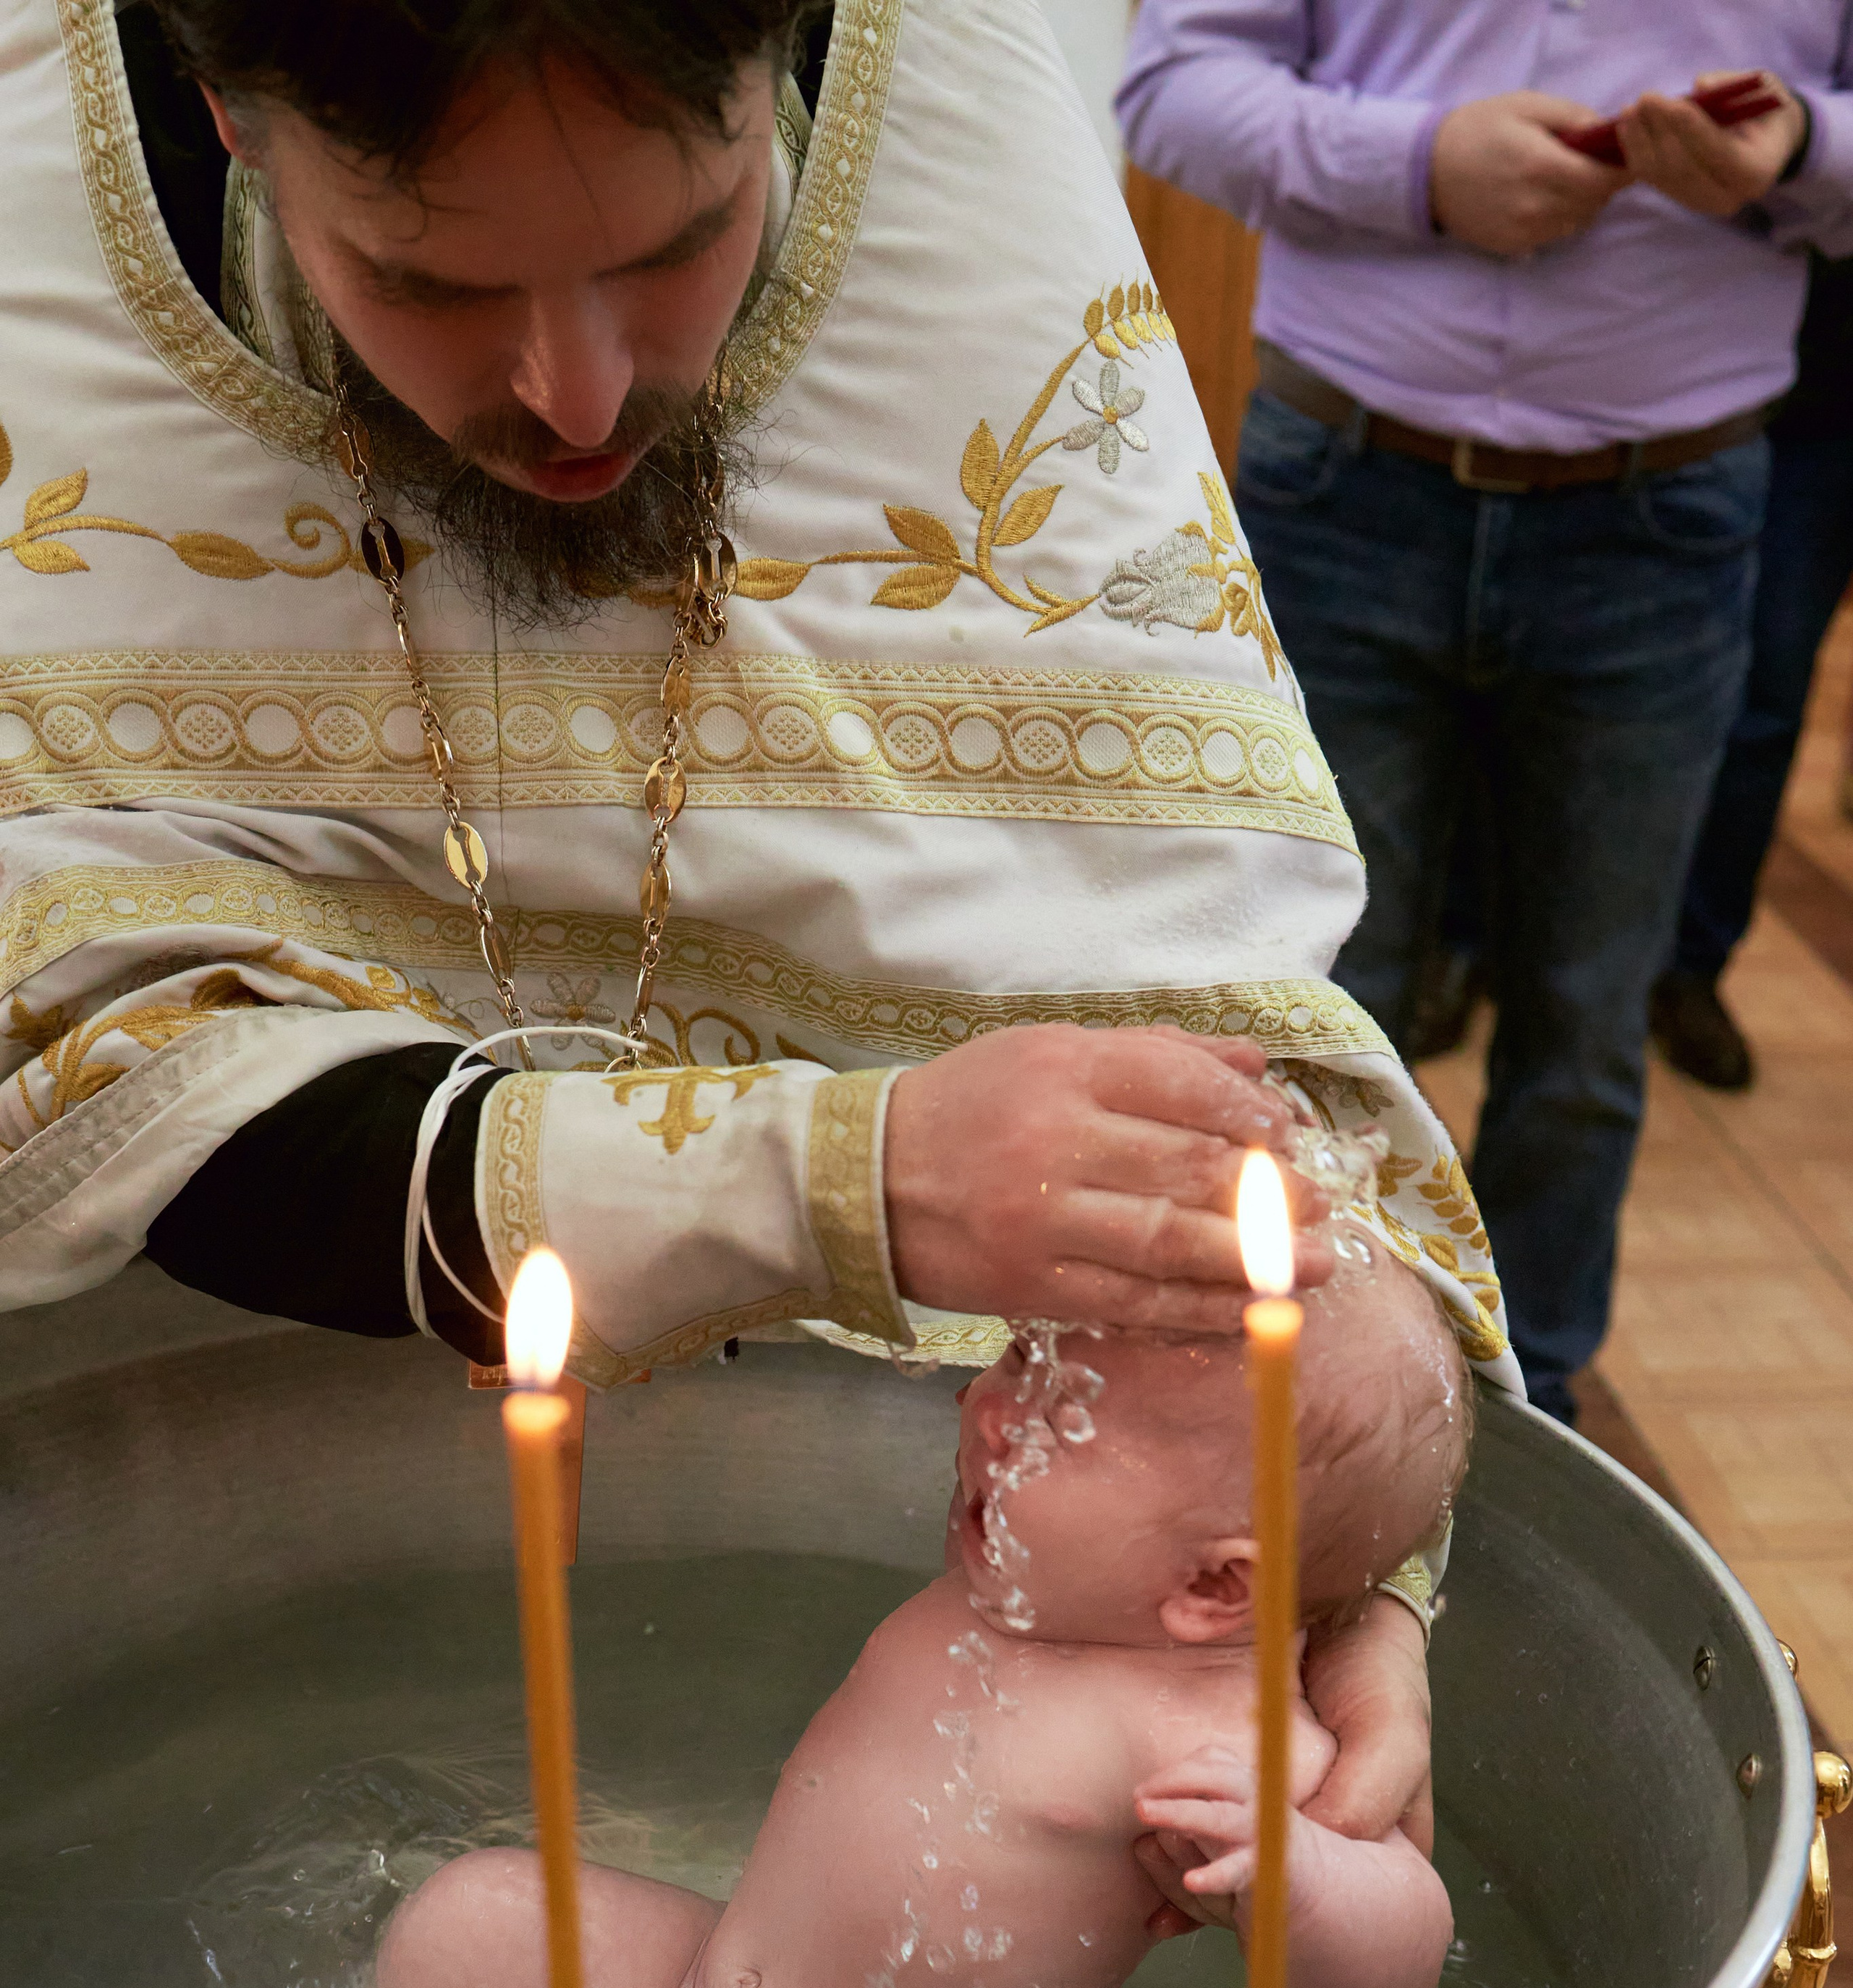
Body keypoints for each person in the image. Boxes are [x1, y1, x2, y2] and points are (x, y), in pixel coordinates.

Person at [0, 0, 1515, 1866]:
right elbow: (73, 1048)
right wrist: (835, 1178)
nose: (576, 390)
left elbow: (1232, 1048)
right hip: (203, 1507)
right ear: (227, 113)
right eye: (428, 282)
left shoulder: (957, 167)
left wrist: (1343, 1567)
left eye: (675, 245)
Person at [211, 1239, 1466, 1988]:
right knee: (472, 1919)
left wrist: (1299, 1878)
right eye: (1017, 1359)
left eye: (1057, 1418)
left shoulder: (1211, 1733)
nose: (988, 1411)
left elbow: (1401, 1961)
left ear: (1215, 1588)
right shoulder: (1026, 1585)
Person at [1118, 7, 1853, 1422]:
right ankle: (1291, 1411)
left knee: (1582, 1031)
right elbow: (1168, 86)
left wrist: (1801, 146)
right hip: (1342, 485)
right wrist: (1411, 164)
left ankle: (1531, 1426)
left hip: (1669, 514)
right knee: (1315, 1008)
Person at [1655, 254, 1853, 1094]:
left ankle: (1693, 966)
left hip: (1833, 411)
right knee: (1555, 669)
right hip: (1679, 366)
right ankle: (1471, 934)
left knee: (1766, 703)